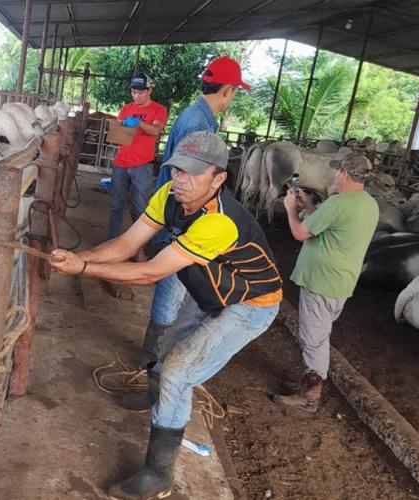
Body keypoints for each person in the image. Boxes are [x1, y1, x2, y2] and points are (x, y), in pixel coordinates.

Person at [50, 132, 281, 500]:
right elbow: (127, 244)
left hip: (251, 302)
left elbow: (150, 272)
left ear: (218, 179)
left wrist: (82, 269)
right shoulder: (170, 196)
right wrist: (80, 258)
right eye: (176, 170)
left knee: (179, 370)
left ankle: (159, 474)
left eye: (192, 173)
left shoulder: (221, 221)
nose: (180, 180)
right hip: (212, 288)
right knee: (169, 349)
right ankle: (161, 400)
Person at [124, 55, 251, 412]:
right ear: (226, 91)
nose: (232, 99)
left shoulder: (194, 116)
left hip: (176, 217)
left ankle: (153, 373)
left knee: (173, 298)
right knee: (174, 301)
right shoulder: (201, 127)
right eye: (234, 93)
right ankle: (153, 379)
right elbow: (189, 185)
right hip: (184, 222)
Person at [273, 154, 378, 412]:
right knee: (320, 334)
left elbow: (299, 233)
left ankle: (310, 395)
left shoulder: (338, 203)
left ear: (343, 173)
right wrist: (308, 206)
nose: (334, 176)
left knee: (314, 339)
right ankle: (309, 378)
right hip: (340, 282)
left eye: (336, 172)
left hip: (321, 281)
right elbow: (329, 226)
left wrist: (289, 209)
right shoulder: (368, 204)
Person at [107, 73, 168, 240]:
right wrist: (119, 127)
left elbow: (156, 130)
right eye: (134, 92)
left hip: (142, 165)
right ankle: (112, 241)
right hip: (121, 163)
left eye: (140, 92)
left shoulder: (158, 109)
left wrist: (139, 123)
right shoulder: (126, 108)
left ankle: (136, 244)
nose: (136, 96)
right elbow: (117, 131)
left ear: (149, 90)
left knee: (139, 207)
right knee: (116, 206)